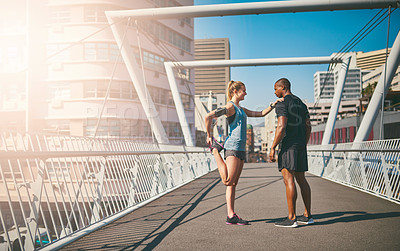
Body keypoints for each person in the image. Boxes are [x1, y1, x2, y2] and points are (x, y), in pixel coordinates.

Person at [205, 80, 281, 225]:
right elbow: (208, 116)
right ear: (235, 91)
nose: (246, 93)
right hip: (232, 146)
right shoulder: (230, 107)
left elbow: (260, 114)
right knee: (227, 181)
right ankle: (215, 150)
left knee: (233, 184)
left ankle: (231, 215)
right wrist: (209, 135)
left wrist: (273, 105)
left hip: (240, 148)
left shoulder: (242, 109)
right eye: (244, 90)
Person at [269, 78, 313, 228]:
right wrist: (304, 143)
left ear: (283, 87)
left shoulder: (282, 103)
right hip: (301, 145)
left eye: (276, 88)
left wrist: (273, 147)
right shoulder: (302, 104)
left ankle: (291, 218)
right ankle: (307, 215)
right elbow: (308, 126)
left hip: (288, 146)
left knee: (289, 180)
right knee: (302, 179)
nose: (275, 92)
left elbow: (281, 126)